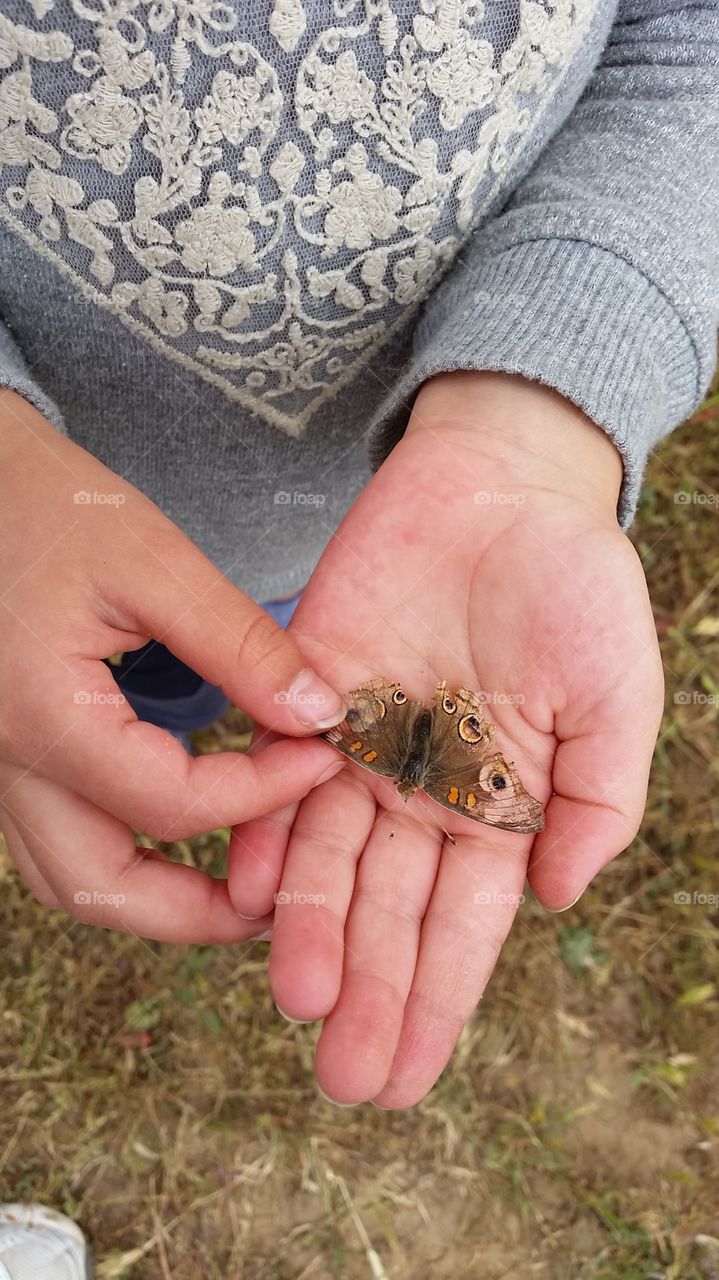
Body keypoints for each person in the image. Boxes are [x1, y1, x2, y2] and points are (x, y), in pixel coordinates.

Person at [1, 0, 717, 1194]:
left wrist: (532, 431)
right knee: (139, 701)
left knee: (264, 684)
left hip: (367, 534)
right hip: (51, 527)